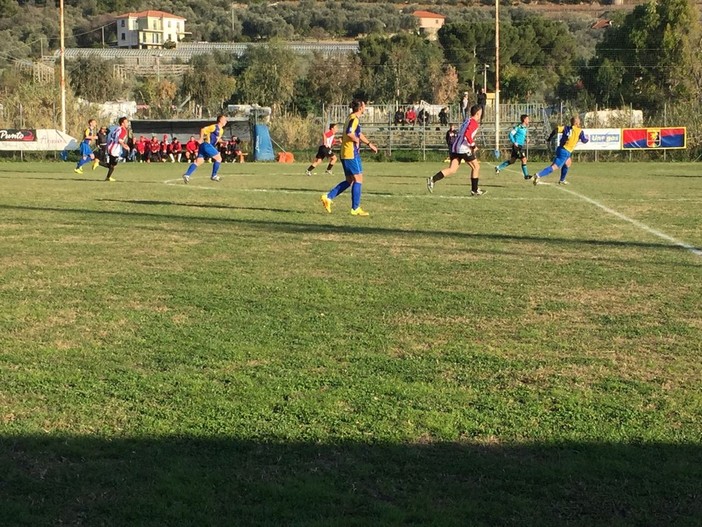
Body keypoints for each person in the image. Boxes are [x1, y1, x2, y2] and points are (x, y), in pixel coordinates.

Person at [320, 99, 378, 216]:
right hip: (350, 153)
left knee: (350, 180)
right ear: (360, 107)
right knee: (358, 179)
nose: (365, 107)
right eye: (364, 105)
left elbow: (358, 133)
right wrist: (356, 140)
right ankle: (355, 208)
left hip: (346, 153)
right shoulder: (354, 119)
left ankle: (328, 197)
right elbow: (350, 133)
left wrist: (369, 144)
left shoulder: (351, 117)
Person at [426, 105, 485, 196]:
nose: (481, 114)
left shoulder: (467, 120)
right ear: (478, 113)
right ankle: (474, 190)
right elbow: (467, 134)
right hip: (463, 149)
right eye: (480, 112)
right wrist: (473, 146)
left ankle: (432, 179)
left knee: (452, 169)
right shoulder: (474, 123)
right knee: (476, 167)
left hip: (455, 147)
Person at [533, 116, 589, 186]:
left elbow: (555, 130)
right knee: (554, 167)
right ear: (577, 123)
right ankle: (538, 175)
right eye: (579, 122)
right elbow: (584, 140)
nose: (580, 123)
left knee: (568, 163)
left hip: (562, 149)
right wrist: (587, 139)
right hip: (565, 152)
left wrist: (550, 138)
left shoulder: (566, 128)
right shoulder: (579, 131)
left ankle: (562, 180)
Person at [182, 114, 228, 183]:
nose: (226, 121)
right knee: (219, 158)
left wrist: (223, 142)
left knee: (199, 161)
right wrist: (200, 138)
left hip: (204, 146)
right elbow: (203, 130)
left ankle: (187, 175)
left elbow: (217, 139)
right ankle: (214, 175)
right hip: (207, 145)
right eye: (225, 119)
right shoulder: (214, 127)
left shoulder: (221, 130)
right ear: (220, 120)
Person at [495, 114, 531, 179]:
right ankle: (526, 175)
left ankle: (498, 167)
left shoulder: (525, 128)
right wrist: (514, 142)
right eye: (528, 119)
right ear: (524, 120)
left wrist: (526, 139)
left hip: (520, 146)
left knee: (512, 161)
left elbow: (521, 136)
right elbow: (510, 134)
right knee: (524, 159)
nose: (529, 120)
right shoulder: (518, 127)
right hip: (517, 147)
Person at [96, 117, 129, 182]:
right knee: (113, 165)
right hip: (115, 148)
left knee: (112, 165)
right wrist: (124, 146)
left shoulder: (117, 128)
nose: (127, 123)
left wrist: (123, 144)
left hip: (110, 146)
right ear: (122, 123)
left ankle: (108, 177)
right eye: (126, 122)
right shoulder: (123, 130)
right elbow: (119, 140)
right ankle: (98, 162)